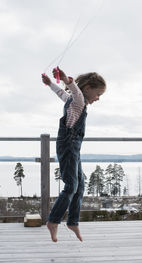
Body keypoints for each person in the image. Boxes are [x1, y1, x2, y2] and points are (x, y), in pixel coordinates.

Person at [41, 67, 106, 242]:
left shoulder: (72, 100)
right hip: (69, 146)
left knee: (80, 185)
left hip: (73, 148)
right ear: (87, 88)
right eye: (98, 94)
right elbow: (75, 91)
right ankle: (53, 221)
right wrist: (67, 79)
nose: (98, 98)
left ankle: (73, 221)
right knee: (71, 186)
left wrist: (50, 84)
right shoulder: (78, 100)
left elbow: (62, 93)